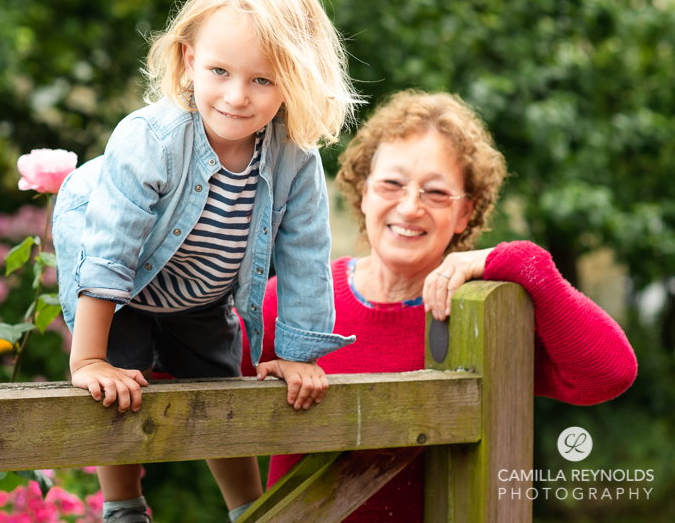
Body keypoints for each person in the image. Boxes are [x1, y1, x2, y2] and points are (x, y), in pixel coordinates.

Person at [53, 0, 362, 523]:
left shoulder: (295, 159)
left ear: (293, 80)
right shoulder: (152, 139)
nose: (237, 96)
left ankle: (249, 509)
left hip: (201, 290)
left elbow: (305, 257)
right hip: (120, 277)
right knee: (116, 379)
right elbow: (109, 252)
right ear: (189, 59)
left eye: (262, 79)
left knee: (221, 383)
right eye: (220, 71)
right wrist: (89, 360)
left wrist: (296, 358)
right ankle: (122, 504)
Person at [242, 90, 638, 522]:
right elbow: (175, 378)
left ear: (465, 214)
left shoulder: (485, 317)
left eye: (436, 193)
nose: (410, 208)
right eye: (392, 184)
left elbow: (609, 374)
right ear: (364, 192)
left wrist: (524, 262)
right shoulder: (293, 303)